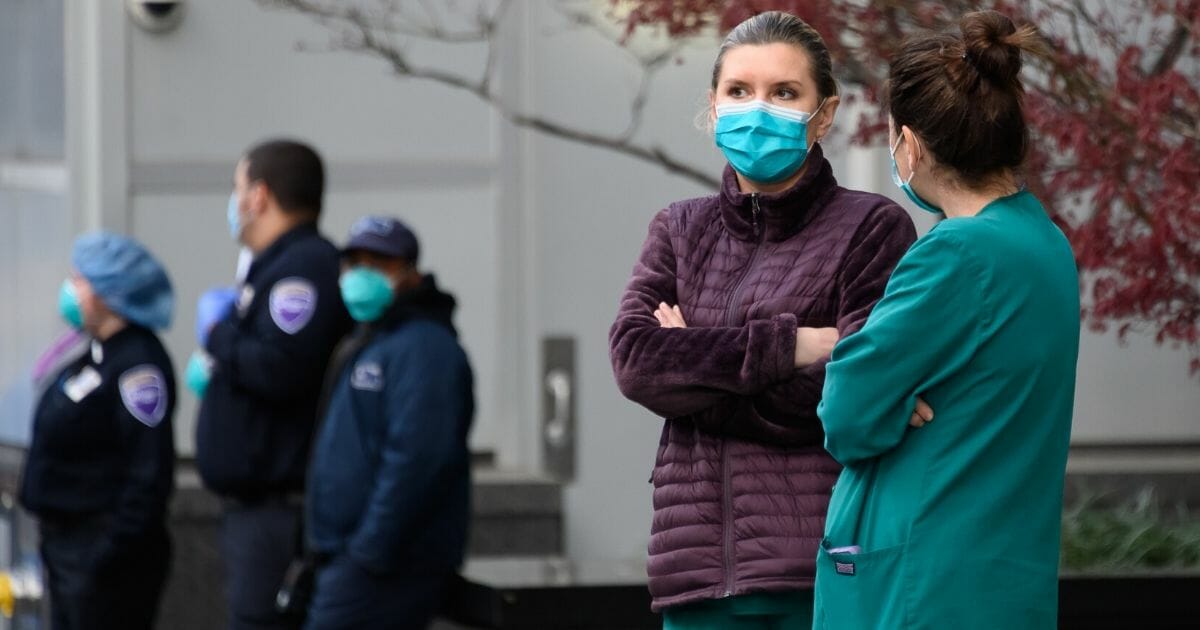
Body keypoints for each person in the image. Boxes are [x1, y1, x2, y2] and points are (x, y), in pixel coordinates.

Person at [608, 11, 917, 628]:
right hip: (694, 579)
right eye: (740, 91)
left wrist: (695, 375)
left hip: (818, 575)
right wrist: (790, 345)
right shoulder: (679, 228)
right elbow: (637, 362)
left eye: (784, 93)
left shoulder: (871, 228)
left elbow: (847, 395)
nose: (758, 109)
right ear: (715, 105)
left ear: (823, 114)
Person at [813, 11, 1078, 629]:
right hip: (1003, 580)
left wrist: (885, 400)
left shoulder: (957, 252)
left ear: (911, 144)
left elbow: (847, 411)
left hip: (924, 588)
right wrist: (890, 396)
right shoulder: (1046, 245)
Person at [191, 139, 352, 630]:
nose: (235, 200)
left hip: (276, 510)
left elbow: (279, 367)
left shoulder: (301, 268)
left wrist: (219, 336)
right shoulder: (275, 266)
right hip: (256, 511)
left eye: (237, 187)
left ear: (258, 197)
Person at [303, 216, 474, 629]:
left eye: (379, 264)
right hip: (350, 557)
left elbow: (417, 459)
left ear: (410, 272)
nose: (363, 275)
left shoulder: (425, 348)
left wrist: (369, 552)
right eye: (356, 263)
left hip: (387, 566)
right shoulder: (372, 338)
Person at [20, 232, 177, 630]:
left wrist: (105, 556)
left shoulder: (138, 367)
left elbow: (148, 472)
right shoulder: (96, 354)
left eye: (79, 281)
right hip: (67, 551)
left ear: (108, 292)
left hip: (102, 560)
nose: (70, 291)